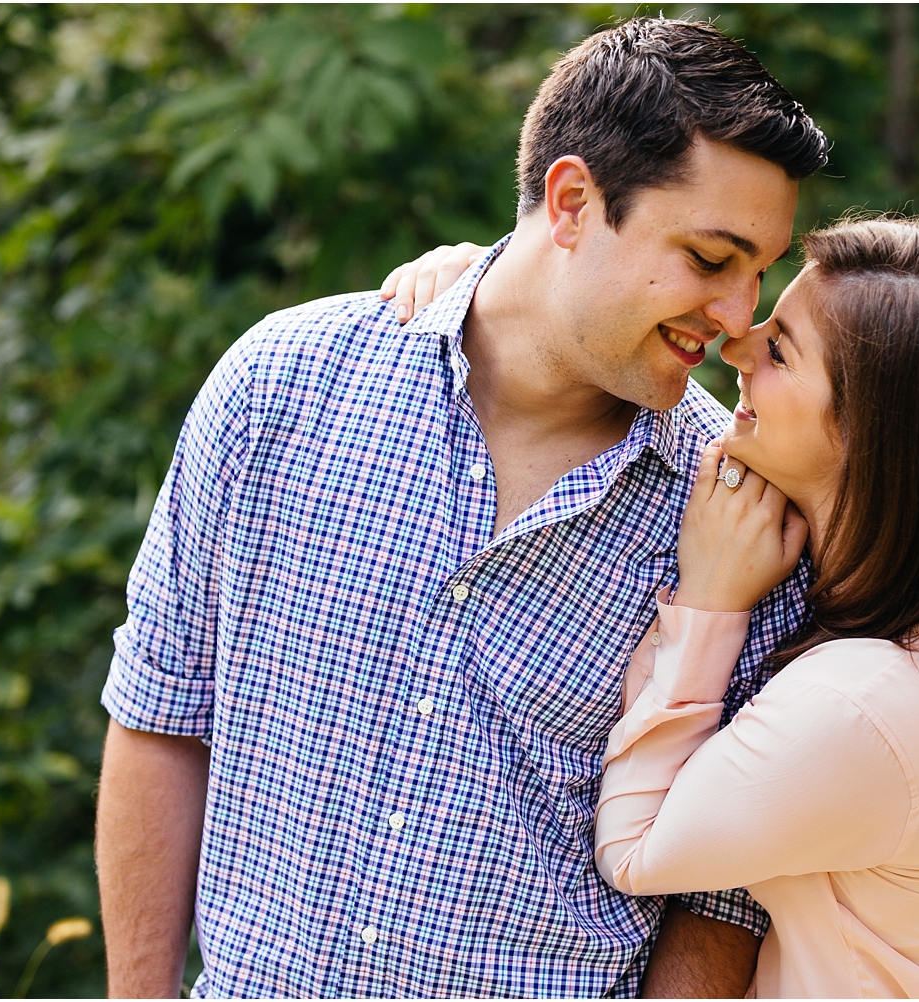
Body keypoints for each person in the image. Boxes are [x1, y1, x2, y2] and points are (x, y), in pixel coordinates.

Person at [93, 17, 828, 1000]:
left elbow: (724, 894)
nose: (741, 317)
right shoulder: (282, 387)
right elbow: (160, 714)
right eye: (709, 258)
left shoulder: (737, 510)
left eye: (759, 272)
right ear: (572, 202)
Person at [389, 217, 919, 997]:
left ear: (872, 435)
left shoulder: (866, 704)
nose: (738, 343)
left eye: (780, 351)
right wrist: (497, 292)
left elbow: (636, 849)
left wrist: (710, 600)